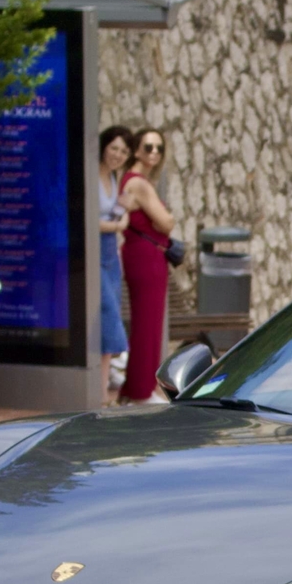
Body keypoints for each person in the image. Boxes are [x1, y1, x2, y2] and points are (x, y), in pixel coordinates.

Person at [117, 127, 178, 403]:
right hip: (146, 255)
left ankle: (141, 386)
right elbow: (166, 222)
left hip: (144, 253)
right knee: (147, 322)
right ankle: (141, 389)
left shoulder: (132, 182)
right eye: (148, 146)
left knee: (149, 321)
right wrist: (165, 219)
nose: (154, 153)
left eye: (159, 148)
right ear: (136, 149)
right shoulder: (139, 182)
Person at [95, 126, 133, 399]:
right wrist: (114, 226)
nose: (117, 155)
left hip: (110, 253)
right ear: (104, 146)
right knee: (107, 315)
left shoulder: (114, 176)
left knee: (112, 312)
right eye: (114, 148)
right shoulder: (91, 175)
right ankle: (99, 390)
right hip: (95, 248)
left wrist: (122, 219)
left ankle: (102, 389)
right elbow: (87, 219)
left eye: (123, 151)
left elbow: (120, 214)